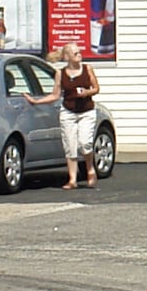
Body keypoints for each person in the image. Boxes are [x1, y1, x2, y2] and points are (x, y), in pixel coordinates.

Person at [29, 44, 100, 189]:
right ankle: (72, 179)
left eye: (79, 52)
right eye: (75, 54)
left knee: (85, 143)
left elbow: (96, 88)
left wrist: (87, 93)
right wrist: (36, 101)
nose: (79, 55)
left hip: (86, 111)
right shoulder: (61, 73)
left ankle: (90, 169)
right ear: (67, 57)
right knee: (70, 145)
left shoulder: (87, 69)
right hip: (68, 112)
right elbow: (55, 95)